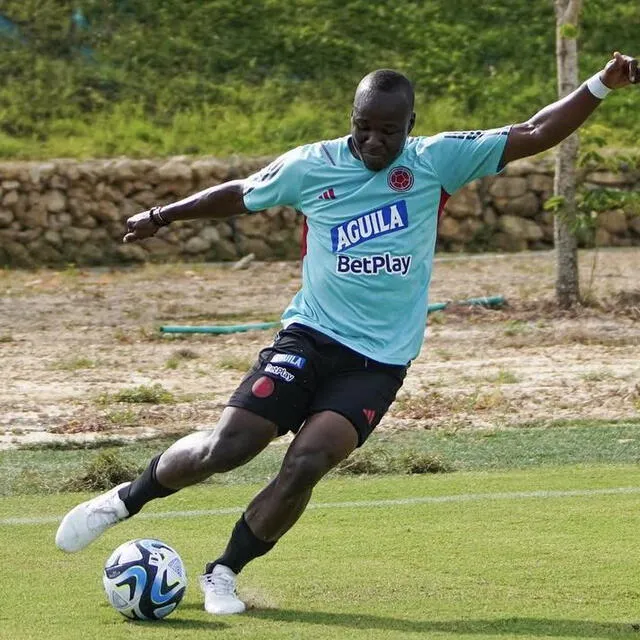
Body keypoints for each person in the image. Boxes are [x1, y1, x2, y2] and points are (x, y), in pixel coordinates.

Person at [55, 53, 638, 615]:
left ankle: (224, 571)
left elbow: (536, 131)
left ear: (411, 125)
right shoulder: (313, 165)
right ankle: (123, 500)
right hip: (309, 337)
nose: (374, 142)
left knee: (308, 462)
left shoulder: (438, 161)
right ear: (351, 122)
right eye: (364, 129)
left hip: (378, 363)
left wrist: (603, 84)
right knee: (227, 448)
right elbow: (240, 193)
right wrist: (162, 216)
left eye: (388, 131)